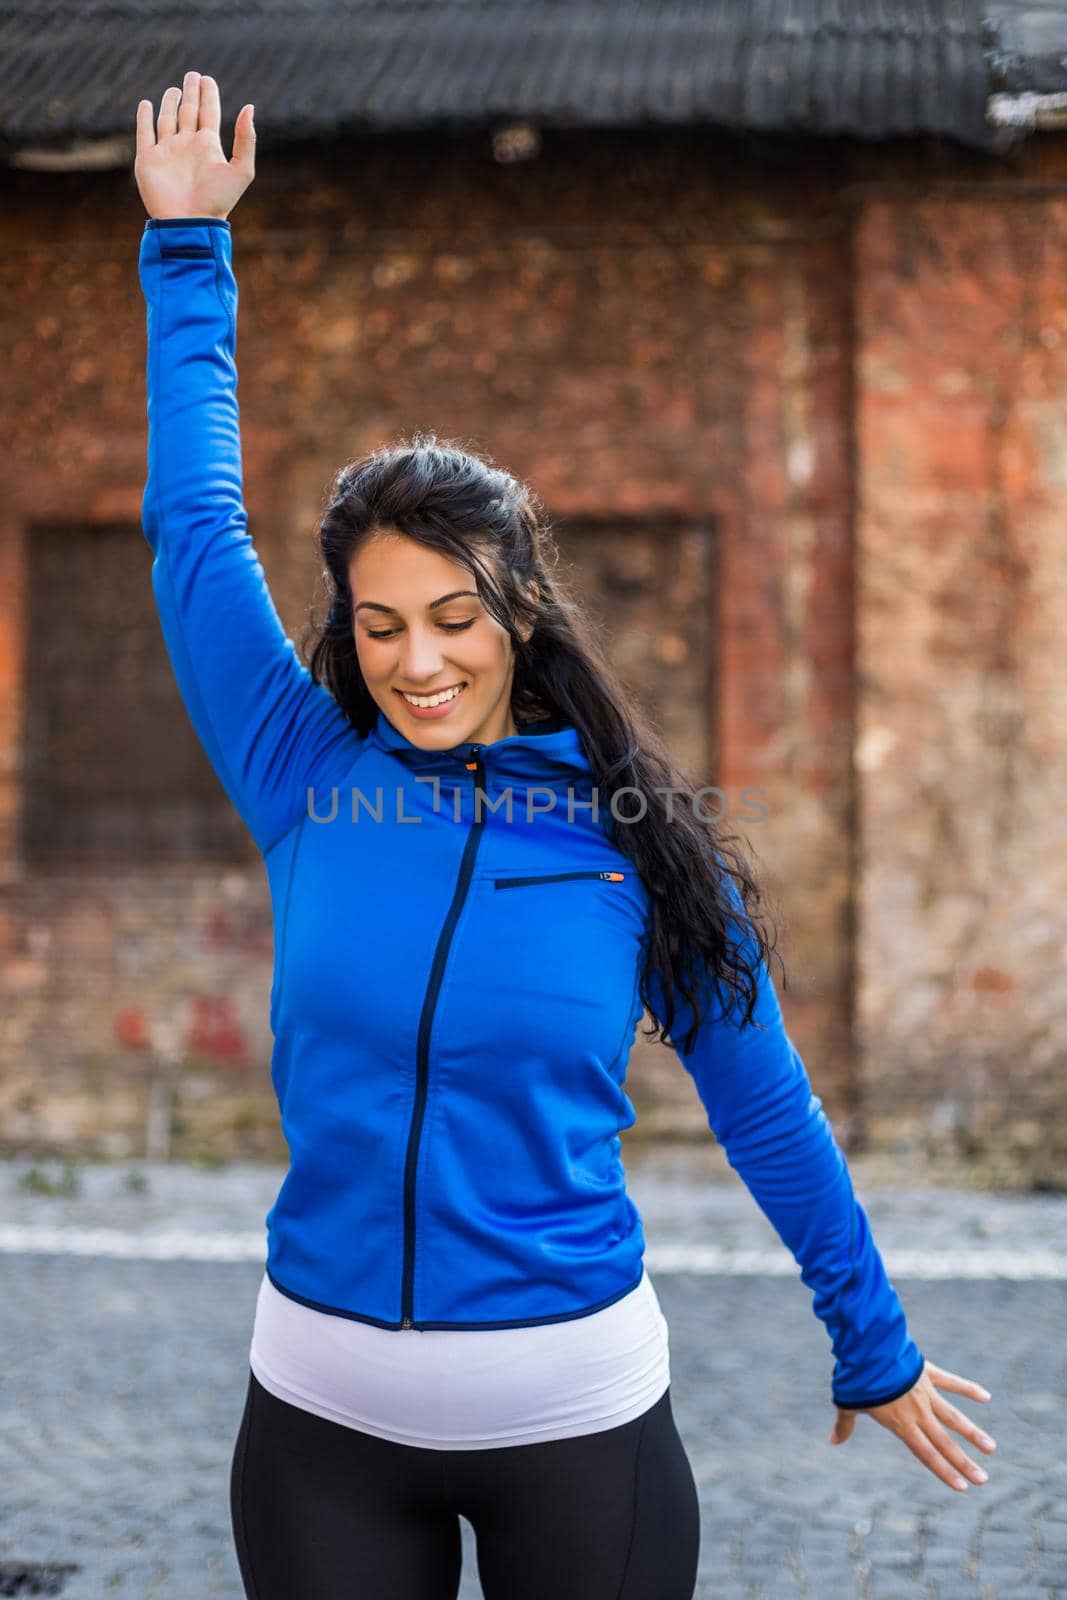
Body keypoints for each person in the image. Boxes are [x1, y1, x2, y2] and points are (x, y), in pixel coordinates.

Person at [133, 70, 997, 1600]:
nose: (417, 663)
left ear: (519, 612)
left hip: (575, 1425)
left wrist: (874, 1346)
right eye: (381, 625)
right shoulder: (301, 770)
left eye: (455, 619)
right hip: (320, 1417)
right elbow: (198, 530)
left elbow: (768, 1111)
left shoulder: (636, 845)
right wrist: (187, 251)